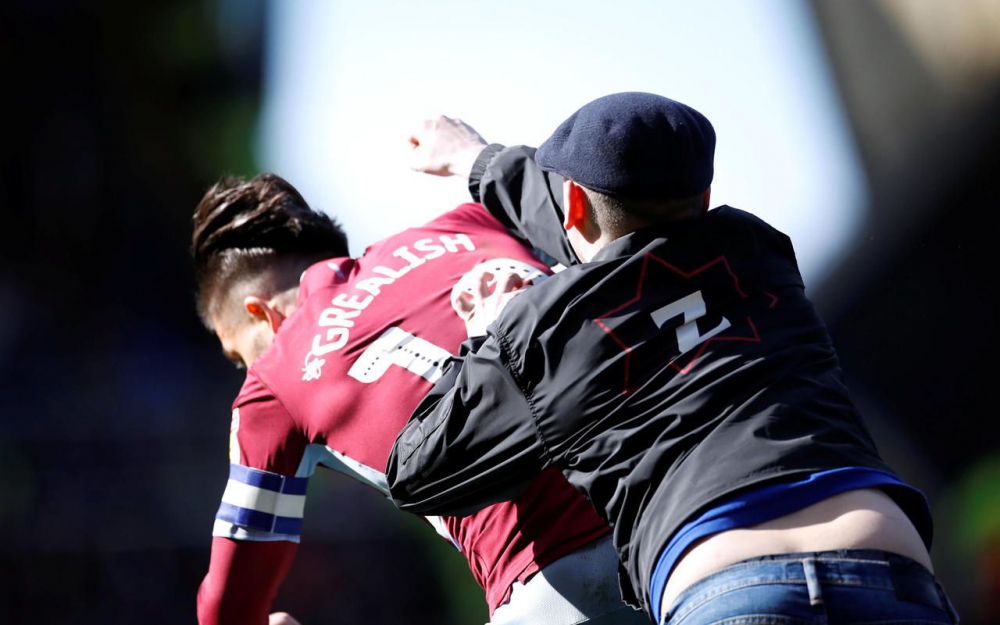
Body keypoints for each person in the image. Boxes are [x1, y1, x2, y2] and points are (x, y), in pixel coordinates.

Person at [386, 92, 960, 625]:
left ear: (574, 203)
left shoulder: (543, 331)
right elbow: (615, 234)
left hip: (725, 585)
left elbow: (416, 475)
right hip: (888, 563)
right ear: (704, 197)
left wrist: (486, 334)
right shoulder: (760, 255)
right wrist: (477, 162)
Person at [191, 172, 650, 625]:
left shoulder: (273, 379)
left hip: (560, 585)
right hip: (679, 515)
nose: (247, 372)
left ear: (262, 314)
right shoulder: (469, 224)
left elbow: (227, 606)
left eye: (240, 357)